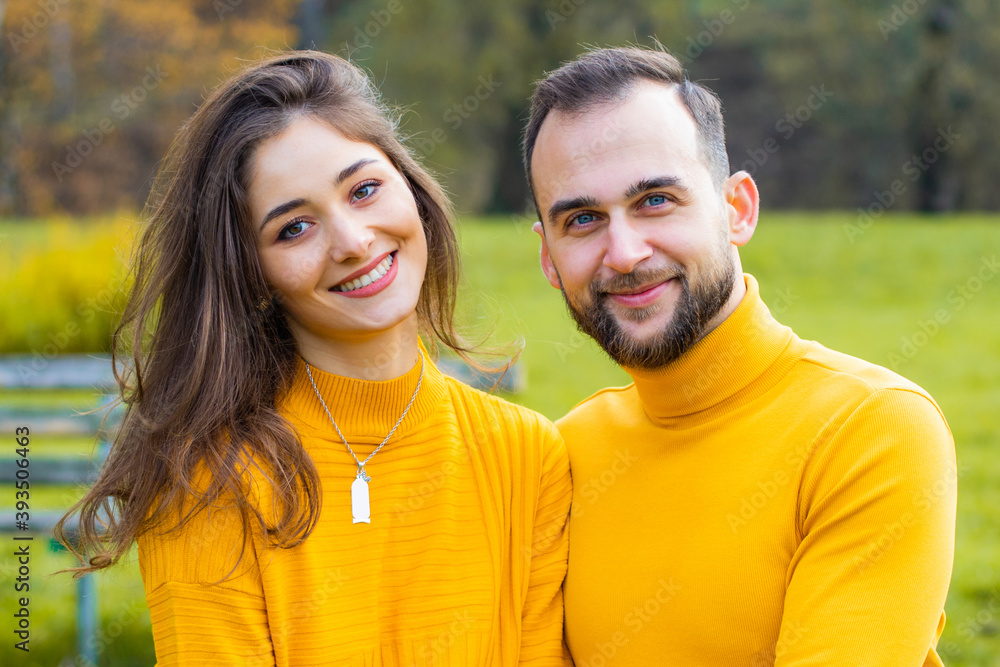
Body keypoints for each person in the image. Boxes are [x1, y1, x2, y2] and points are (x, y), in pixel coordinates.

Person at [57, 51, 572, 666]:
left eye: (364, 189)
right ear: (252, 274)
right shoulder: (210, 482)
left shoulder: (528, 456)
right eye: (293, 228)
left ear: (410, 187)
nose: (354, 242)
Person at [522, 45, 957, 666]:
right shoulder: (563, 457)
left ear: (737, 209)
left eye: (655, 201)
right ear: (549, 258)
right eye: (584, 219)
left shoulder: (872, 430)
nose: (623, 252)